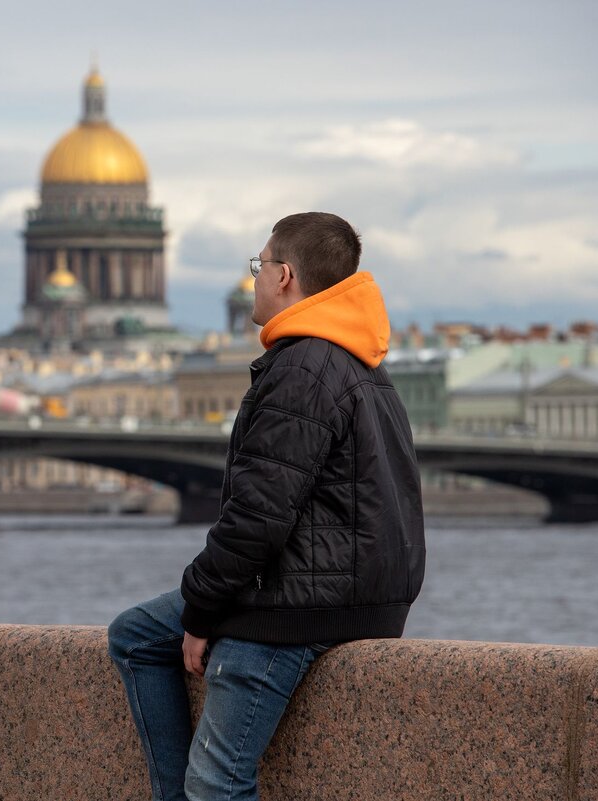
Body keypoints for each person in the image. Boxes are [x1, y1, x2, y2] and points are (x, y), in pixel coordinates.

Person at [108, 212, 425, 801]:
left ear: (284, 275)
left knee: (218, 780)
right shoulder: (360, 362)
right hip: (356, 591)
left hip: (296, 604)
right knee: (135, 635)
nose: (253, 278)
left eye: (259, 265)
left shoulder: (301, 368)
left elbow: (256, 520)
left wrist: (201, 614)